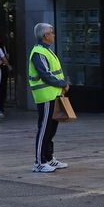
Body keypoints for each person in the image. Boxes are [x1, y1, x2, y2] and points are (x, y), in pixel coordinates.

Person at [28, 23, 71, 174]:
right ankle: (39, 162)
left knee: (51, 129)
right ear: (45, 35)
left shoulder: (46, 50)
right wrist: (62, 83)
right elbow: (45, 74)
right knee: (44, 129)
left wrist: (62, 85)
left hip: (54, 94)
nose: (53, 35)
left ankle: (48, 158)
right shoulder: (38, 52)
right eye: (51, 33)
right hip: (46, 96)